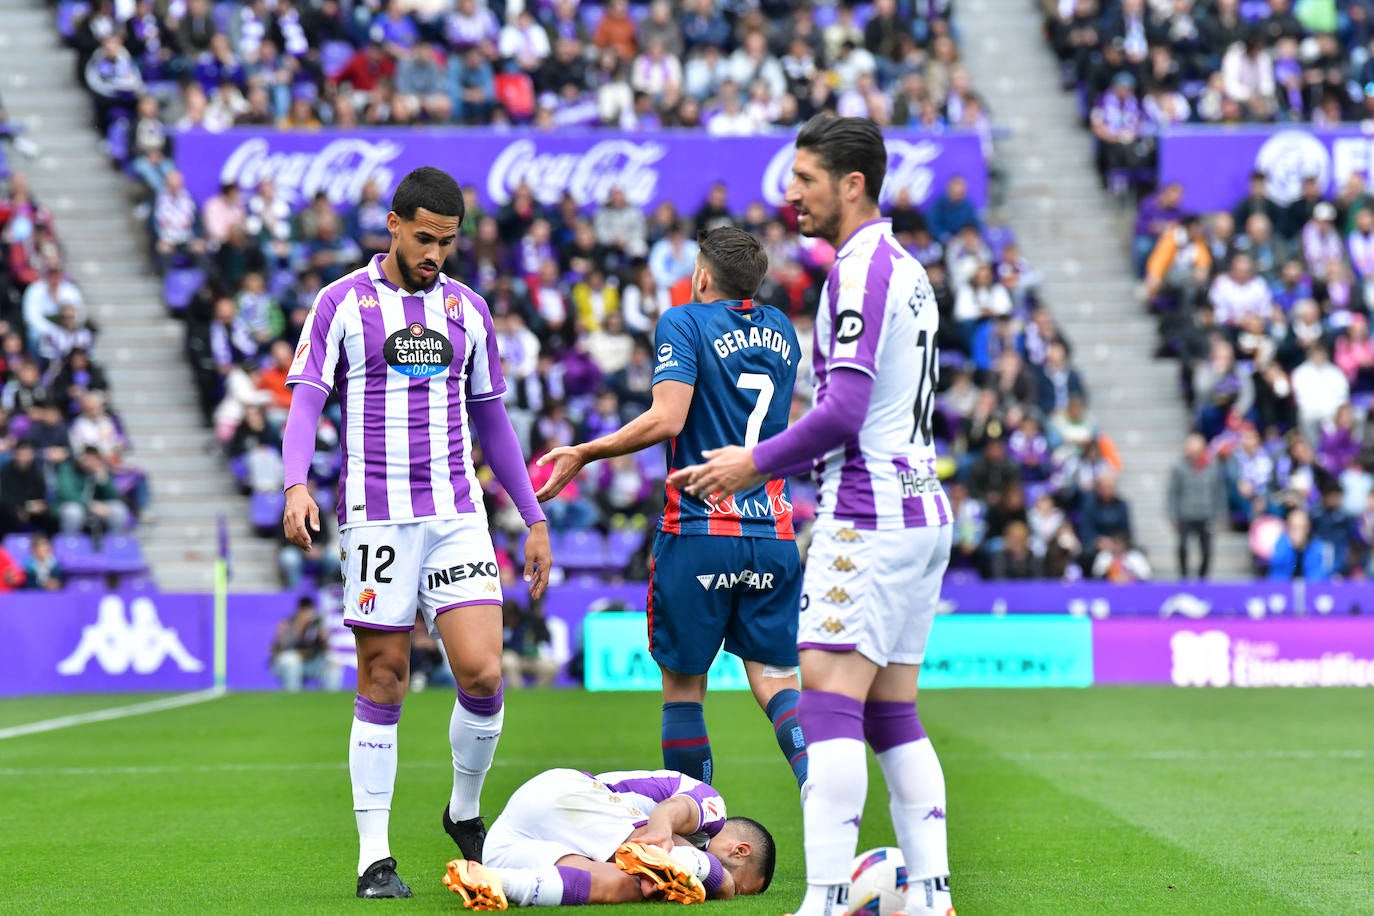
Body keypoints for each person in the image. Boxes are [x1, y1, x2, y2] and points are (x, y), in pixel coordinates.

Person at [671, 115, 955, 916]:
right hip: (921, 504)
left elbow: (845, 411)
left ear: (851, 183)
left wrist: (748, 462)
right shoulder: (908, 270)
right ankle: (930, 895)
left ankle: (826, 899)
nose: (789, 192)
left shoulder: (860, 272)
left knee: (828, 701)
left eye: (804, 178)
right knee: (893, 709)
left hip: (870, 513)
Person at [280, 166, 553, 899]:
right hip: (376, 516)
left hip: (458, 515)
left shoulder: (467, 311)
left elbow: (492, 417)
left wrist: (532, 517)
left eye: (448, 242)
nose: (435, 253)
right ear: (394, 225)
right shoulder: (341, 303)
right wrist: (295, 482)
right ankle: (375, 857)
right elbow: (306, 400)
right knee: (384, 678)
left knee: (484, 672)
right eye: (425, 238)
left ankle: (464, 811)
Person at [534, 226, 808, 790]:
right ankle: (823, 790)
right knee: (779, 682)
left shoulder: (682, 321)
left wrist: (586, 451)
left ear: (701, 276)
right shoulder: (782, 329)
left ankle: (693, 829)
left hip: (700, 529)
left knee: (684, 688)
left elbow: (667, 419)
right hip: (773, 533)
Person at [443, 767, 775, 909]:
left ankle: (495, 881)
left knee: (623, 886)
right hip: (566, 795)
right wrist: (725, 882)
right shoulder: (714, 810)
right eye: (741, 881)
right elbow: (670, 812)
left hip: (509, 843)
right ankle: (687, 864)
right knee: (690, 867)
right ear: (740, 850)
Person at [1167, 433, 1227, 579]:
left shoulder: (1212, 466)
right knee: (1182, 547)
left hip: (1205, 514)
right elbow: (1173, 492)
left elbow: (1219, 491)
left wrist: (1220, 513)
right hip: (1186, 514)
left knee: (1206, 551)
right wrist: (1172, 514)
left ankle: (1203, 578)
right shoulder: (1179, 467)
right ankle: (1184, 577)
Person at [270, 595, 342, 691]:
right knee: (292, 661)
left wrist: (322, 633)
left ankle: (332, 699)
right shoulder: (287, 623)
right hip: (286, 664)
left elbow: (327, 646)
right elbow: (282, 646)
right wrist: (300, 625)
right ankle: (293, 697)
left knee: (334, 661)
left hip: (311, 663)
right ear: (299, 610)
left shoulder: (317, 623)